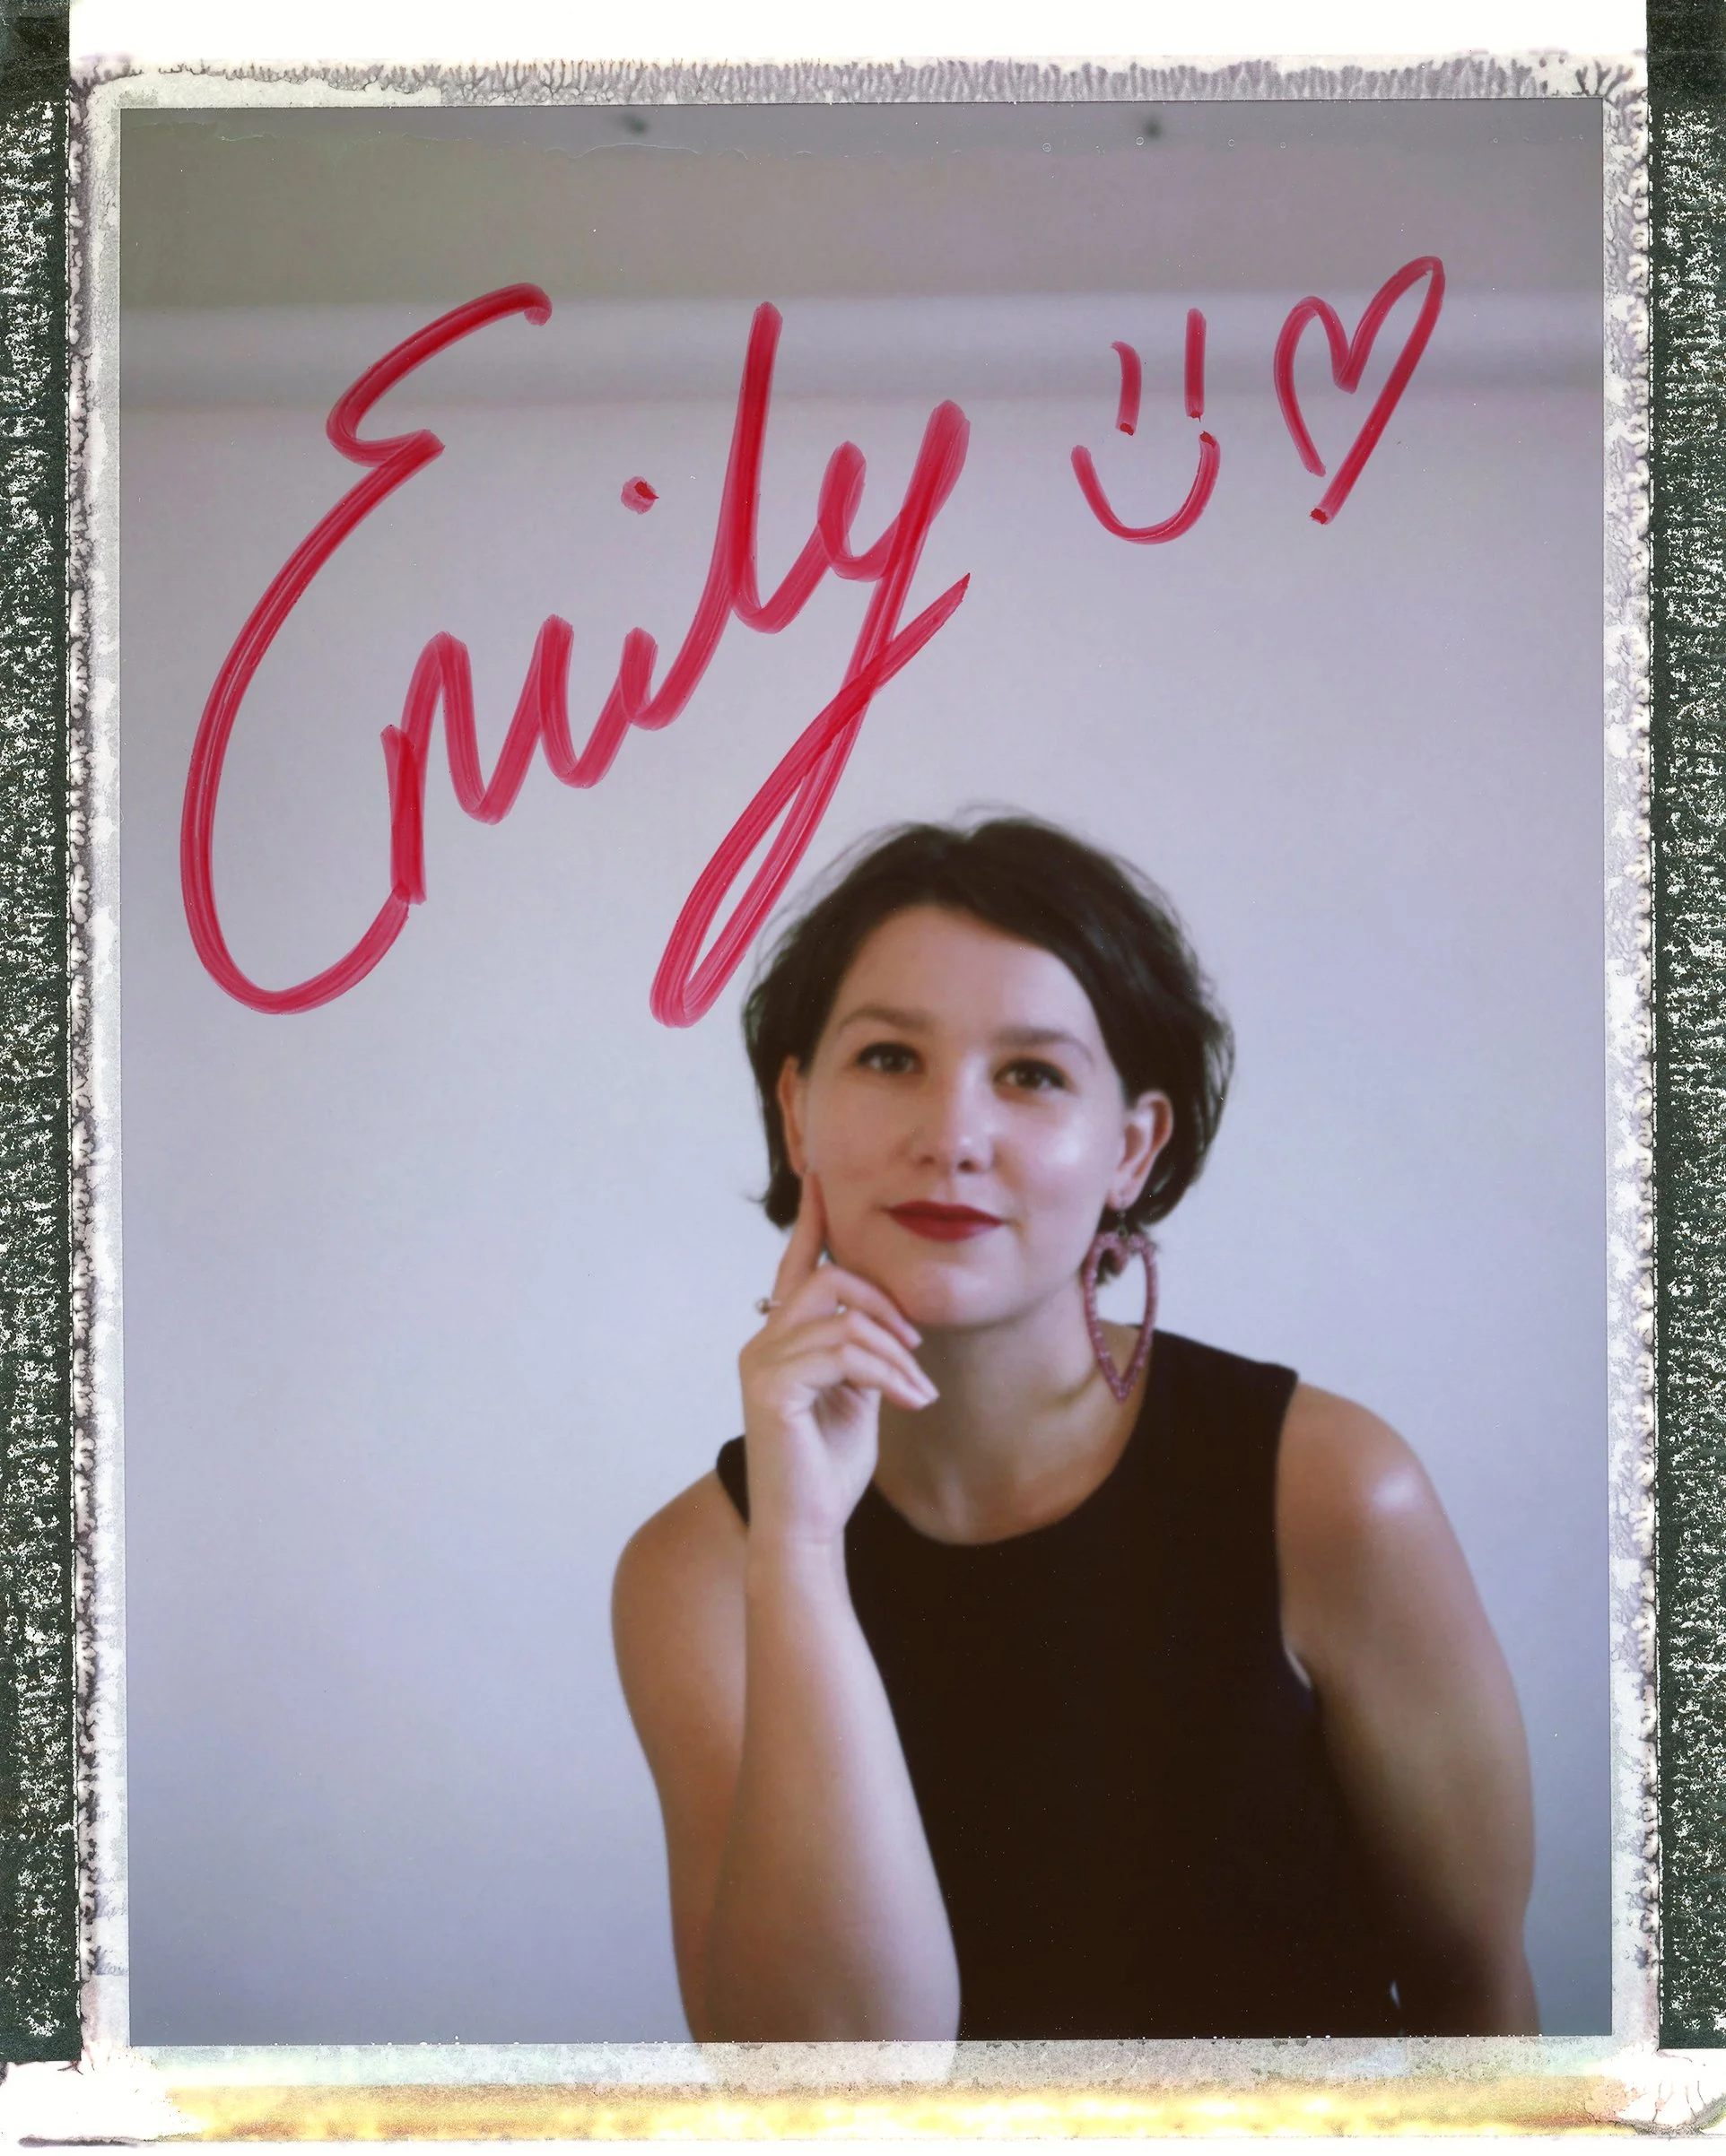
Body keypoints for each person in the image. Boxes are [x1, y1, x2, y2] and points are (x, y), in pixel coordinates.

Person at [612, 816, 1538, 2044]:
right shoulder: (696, 1575)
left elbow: (1474, 2000)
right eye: (889, 1058)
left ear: (1131, 1146)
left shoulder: (1330, 1493)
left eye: (1032, 1075)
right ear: (797, 1113)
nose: (952, 1134)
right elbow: (831, 2093)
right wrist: (798, 1551)